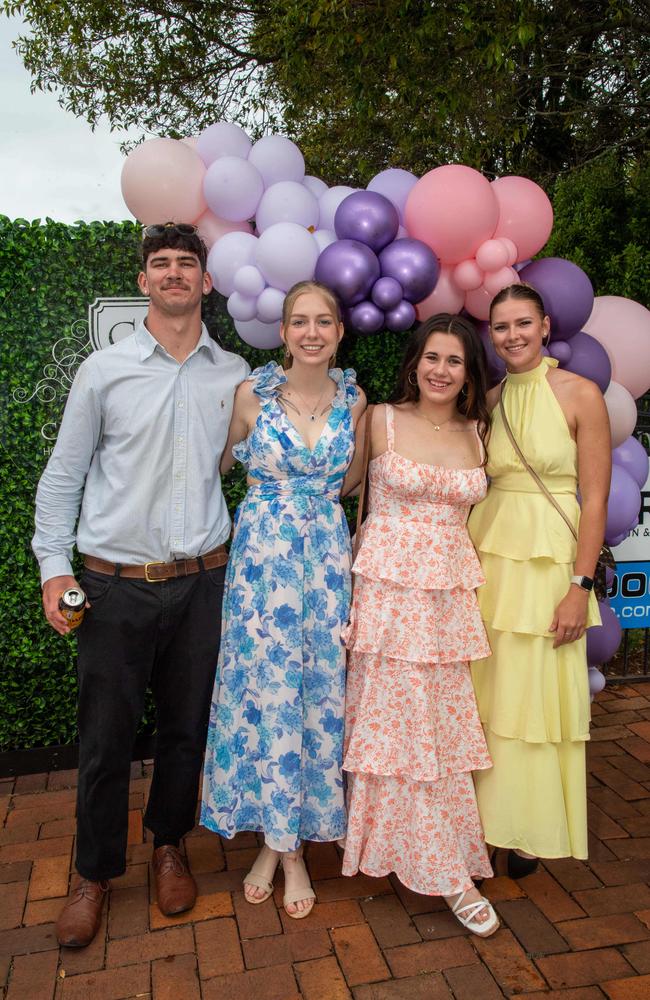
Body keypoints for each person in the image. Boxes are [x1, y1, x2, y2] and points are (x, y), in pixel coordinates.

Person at [32, 222, 249, 947]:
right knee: (105, 739)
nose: (175, 274)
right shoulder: (105, 371)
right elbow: (64, 476)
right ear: (144, 282)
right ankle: (93, 875)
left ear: (206, 282)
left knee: (187, 730)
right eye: (161, 264)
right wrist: (53, 568)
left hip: (202, 582)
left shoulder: (235, 374)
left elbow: (247, 463)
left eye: (187, 264)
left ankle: (168, 846)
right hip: (113, 585)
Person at [200, 280, 366, 919]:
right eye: (300, 321)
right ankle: (283, 845)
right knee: (266, 694)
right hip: (262, 573)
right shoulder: (250, 395)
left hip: (324, 567)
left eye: (324, 321)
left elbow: (354, 487)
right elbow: (211, 468)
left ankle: (281, 843)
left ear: (340, 331)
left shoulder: (356, 403)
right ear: (284, 331)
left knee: (317, 694)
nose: (312, 333)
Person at [341, 313, 499, 938]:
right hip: (386, 599)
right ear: (414, 362)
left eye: (454, 361)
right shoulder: (379, 420)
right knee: (395, 730)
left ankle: (428, 852)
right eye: (432, 357)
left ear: (468, 373)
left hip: (447, 607)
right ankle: (447, 872)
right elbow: (338, 492)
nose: (441, 370)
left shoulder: (480, 431)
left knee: (438, 734)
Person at [469, 283, 610, 872]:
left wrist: (579, 588)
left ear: (546, 325)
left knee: (538, 697)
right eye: (501, 327)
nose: (512, 336)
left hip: (551, 564)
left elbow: (596, 501)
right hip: (491, 558)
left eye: (523, 323)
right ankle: (487, 820)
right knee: (491, 693)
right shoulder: (491, 400)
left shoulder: (581, 394)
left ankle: (528, 824)